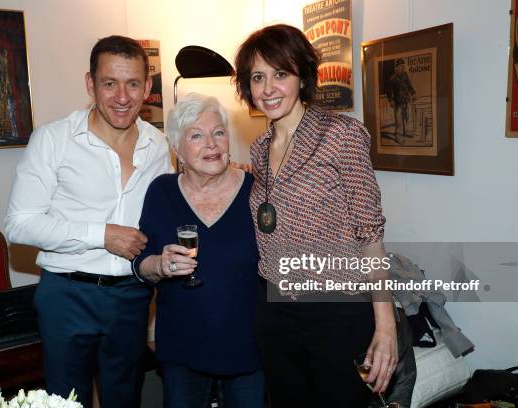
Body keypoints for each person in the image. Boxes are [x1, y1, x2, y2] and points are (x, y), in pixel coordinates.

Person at [233, 24, 398, 407]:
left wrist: (385, 325)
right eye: (258, 77)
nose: (268, 88)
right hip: (275, 310)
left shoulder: (342, 134)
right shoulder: (259, 149)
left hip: (335, 310)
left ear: (303, 76)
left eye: (281, 74)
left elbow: (370, 235)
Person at [5, 35, 171, 408]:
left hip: (132, 296)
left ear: (147, 86)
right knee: (65, 401)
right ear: (90, 83)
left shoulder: (158, 145)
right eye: (109, 83)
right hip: (67, 296)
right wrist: (101, 235)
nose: (122, 97)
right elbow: (19, 224)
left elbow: (164, 215)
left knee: (124, 398)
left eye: (133, 84)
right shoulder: (53, 139)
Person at [132, 93, 264, 408]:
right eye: (196, 135)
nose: (211, 144)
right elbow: (140, 264)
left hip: (247, 344)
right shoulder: (161, 192)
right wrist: (160, 265)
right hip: (183, 345)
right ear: (176, 149)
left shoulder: (257, 190)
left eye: (218, 132)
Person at [386, 58, 416, 143]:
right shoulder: (393, 78)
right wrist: (391, 100)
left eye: (404, 66)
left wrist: (413, 93)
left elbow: (409, 85)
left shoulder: (405, 75)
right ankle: (398, 136)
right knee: (398, 120)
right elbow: (389, 91)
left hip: (406, 100)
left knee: (406, 117)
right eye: (401, 66)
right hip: (397, 102)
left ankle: (406, 132)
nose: (403, 68)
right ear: (397, 67)